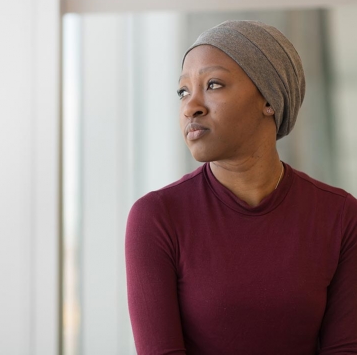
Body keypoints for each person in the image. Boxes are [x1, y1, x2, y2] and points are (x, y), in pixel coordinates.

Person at [125, 20, 357, 355]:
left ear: (269, 100)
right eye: (183, 91)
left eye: (214, 84)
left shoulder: (341, 217)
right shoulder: (157, 218)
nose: (191, 106)